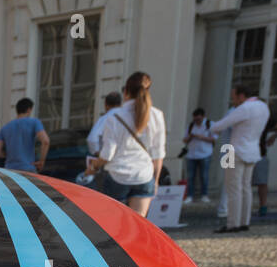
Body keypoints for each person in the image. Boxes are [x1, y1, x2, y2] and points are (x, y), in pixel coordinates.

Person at [88, 71, 165, 217]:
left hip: (118, 175)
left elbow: (107, 155)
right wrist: (155, 181)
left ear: (126, 92)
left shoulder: (114, 117)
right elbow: (158, 154)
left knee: (114, 226)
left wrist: (94, 165)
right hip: (144, 175)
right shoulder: (156, 115)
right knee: (139, 225)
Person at [211, 84, 271, 232]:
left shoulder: (244, 108)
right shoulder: (263, 107)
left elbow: (219, 126)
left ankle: (233, 223)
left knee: (233, 188)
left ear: (242, 96)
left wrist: (211, 125)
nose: (234, 101)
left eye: (234, 97)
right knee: (246, 188)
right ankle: (244, 221)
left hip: (234, 150)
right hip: (252, 150)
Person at [0, 98, 49, 172]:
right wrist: (41, 161)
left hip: (9, 170)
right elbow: (45, 141)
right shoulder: (34, 122)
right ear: (29, 110)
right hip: (28, 169)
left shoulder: (5, 128)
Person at [182, 107, 215, 202]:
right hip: (191, 154)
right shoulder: (191, 126)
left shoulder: (210, 125)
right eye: (195, 119)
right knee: (190, 176)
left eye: (199, 119)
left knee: (204, 175)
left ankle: (204, 194)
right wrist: (191, 137)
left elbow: (213, 139)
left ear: (203, 117)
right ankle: (190, 195)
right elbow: (184, 139)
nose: (197, 121)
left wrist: (201, 137)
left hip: (205, 154)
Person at [254, 114, 277, 218]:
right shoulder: (239, 113)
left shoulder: (265, 118)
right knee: (238, 183)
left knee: (262, 182)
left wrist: (274, 136)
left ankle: (263, 206)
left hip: (259, 154)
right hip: (237, 153)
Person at [87, 91, 123, 156]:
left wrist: (99, 154)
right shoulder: (128, 117)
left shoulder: (105, 119)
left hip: (111, 160)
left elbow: (92, 139)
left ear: (106, 105)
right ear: (120, 104)